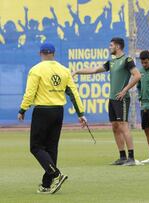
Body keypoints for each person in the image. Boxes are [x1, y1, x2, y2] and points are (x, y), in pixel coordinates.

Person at [17, 43, 87, 194]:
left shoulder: (36, 70)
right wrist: (80, 114)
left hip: (42, 111)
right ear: (54, 54)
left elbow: (30, 93)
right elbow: (73, 93)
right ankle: (46, 185)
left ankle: (56, 174)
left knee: (36, 147)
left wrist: (23, 109)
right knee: (51, 148)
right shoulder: (64, 70)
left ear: (40, 53)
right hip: (58, 112)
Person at [72, 37, 141, 165]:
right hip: (112, 99)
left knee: (123, 126)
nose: (109, 47)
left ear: (118, 47)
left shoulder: (127, 60)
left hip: (122, 99)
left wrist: (125, 90)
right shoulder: (112, 62)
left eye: (111, 45)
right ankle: (122, 157)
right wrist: (77, 71)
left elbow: (137, 75)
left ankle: (131, 158)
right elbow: (94, 70)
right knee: (115, 127)